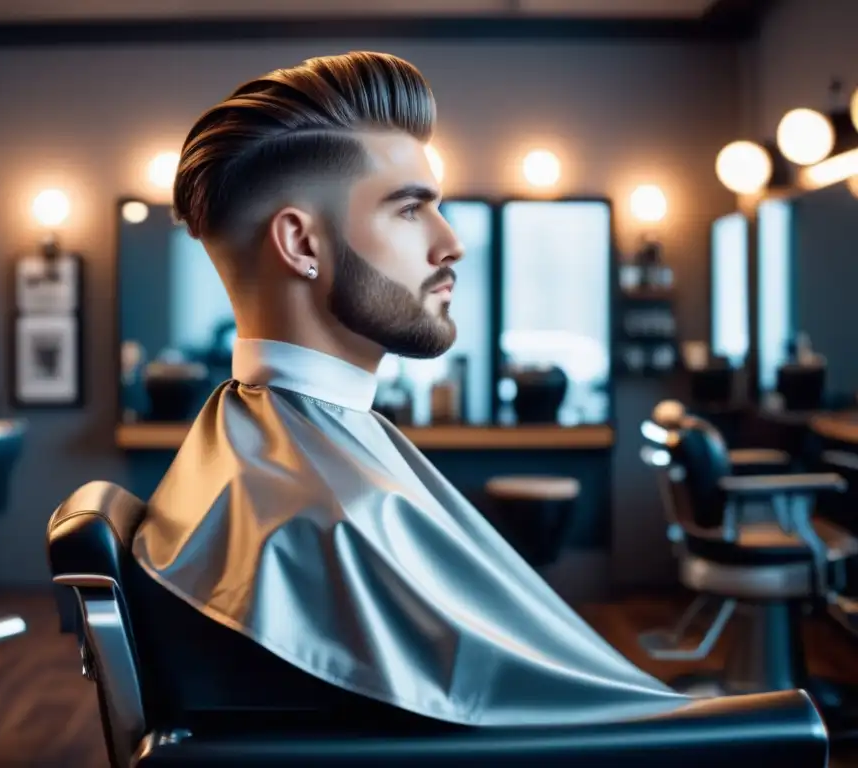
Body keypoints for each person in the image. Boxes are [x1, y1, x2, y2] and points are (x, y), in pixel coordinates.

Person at [133, 51, 688, 727]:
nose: (451, 243)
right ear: (301, 241)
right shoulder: (318, 516)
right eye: (409, 210)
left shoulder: (274, 459)